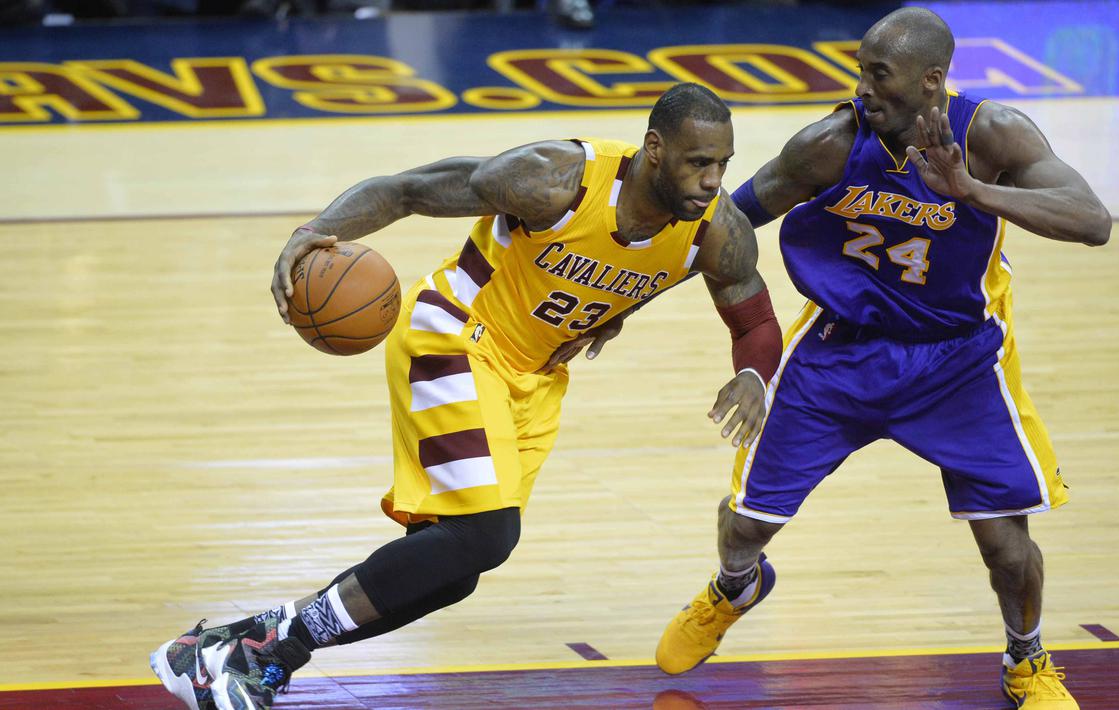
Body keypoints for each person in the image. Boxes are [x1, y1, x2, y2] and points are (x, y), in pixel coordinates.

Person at [149, 82, 783, 710]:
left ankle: (233, 652)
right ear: (653, 150)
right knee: (486, 535)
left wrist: (753, 375)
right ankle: (265, 652)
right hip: (456, 333)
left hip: (533, 381)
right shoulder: (557, 178)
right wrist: (313, 231)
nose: (712, 179)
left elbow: (753, 321)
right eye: (698, 163)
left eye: (723, 164)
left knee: (454, 574)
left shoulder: (715, 228)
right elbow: (409, 190)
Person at [654, 9, 1110, 710]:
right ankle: (734, 587)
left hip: (957, 361)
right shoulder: (830, 144)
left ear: (931, 81)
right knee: (745, 523)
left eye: (877, 73)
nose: (860, 85)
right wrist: (626, 289)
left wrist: (974, 193)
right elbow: (728, 219)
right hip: (842, 350)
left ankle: (1026, 659)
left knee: (1006, 546)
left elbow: (1091, 222)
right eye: (859, 68)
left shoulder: (991, 135)